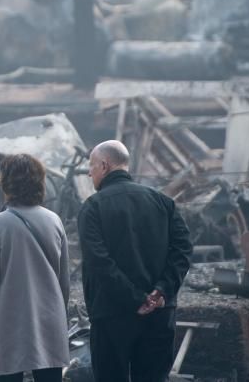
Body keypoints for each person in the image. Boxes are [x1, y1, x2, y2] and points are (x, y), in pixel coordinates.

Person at [78, 140, 193, 382]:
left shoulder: (93, 208)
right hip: (159, 314)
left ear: (104, 165)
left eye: (91, 165)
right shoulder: (163, 202)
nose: (89, 172)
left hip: (112, 316)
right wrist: (162, 290)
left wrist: (135, 298)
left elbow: (99, 262)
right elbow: (182, 250)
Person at [0, 154, 70, 382]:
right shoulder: (54, 221)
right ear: (39, 182)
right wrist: (62, 320)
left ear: (6, 183)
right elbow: (64, 282)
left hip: (10, 323)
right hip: (50, 320)